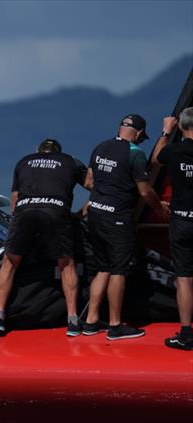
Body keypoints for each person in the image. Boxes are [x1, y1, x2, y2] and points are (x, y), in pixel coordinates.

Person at [0, 138, 90, 337]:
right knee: (66, 264)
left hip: (25, 210)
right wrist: (81, 213)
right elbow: (95, 186)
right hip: (56, 210)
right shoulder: (70, 160)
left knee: (10, 262)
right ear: (58, 152)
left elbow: (14, 203)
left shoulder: (24, 161)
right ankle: (72, 319)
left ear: (37, 151)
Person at [83, 114, 170, 340]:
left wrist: (107, 187)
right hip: (116, 217)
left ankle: (91, 321)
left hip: (95, 214)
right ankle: (114, 325)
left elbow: (89, 182)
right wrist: (159, 208)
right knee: (119, 270)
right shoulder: (135, 153)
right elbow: (144, 190)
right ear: (139, 134)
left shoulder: (100, 147)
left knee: (103, 268)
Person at [151, 108, 193, 350]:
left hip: (182, 220)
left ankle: (186, 333)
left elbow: (156, 158)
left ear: (182, 127)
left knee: (185, 278)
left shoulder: (175, 150)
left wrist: (167, 131)